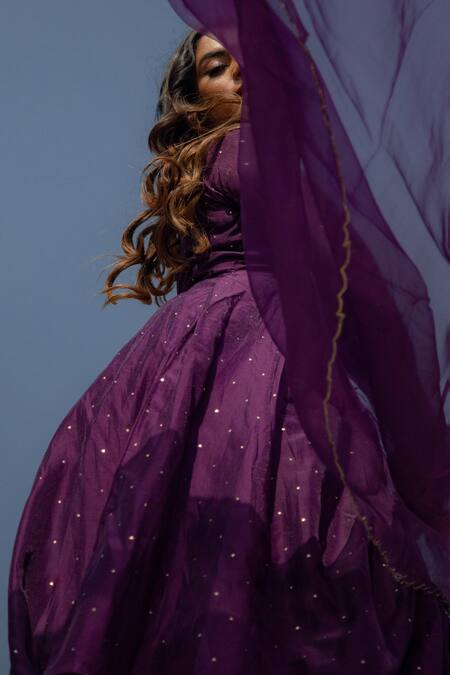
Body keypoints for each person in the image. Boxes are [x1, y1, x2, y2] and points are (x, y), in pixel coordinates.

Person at [8, 23, 450, 675]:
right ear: (196, 95)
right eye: (217, 66)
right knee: (259, 512)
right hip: (244, 342)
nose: (238, 70)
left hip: (257, 341)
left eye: (248, 56)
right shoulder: (256, 148)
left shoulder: (278, 152)